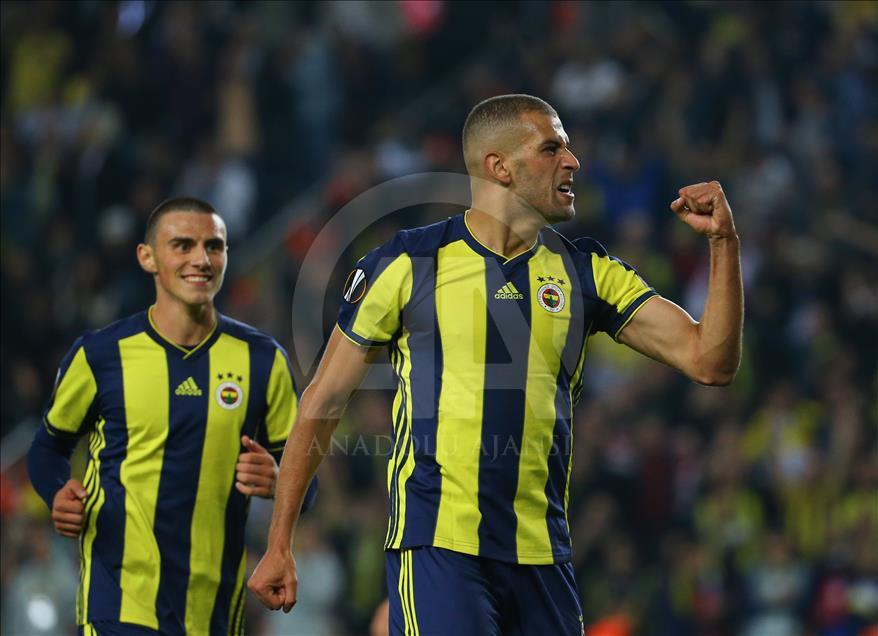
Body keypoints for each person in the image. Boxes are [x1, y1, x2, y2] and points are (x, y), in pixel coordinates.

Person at [248, 94, 743, 635]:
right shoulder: (409, 262)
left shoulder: (587, 273)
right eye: (552, 148)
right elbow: (322, 400)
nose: (573, 161)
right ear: (499, 166)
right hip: (439, 546)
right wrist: (280, 542)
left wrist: (723, 243)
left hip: (544, 556)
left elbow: (710, 362)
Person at [27, 196, 317, 636]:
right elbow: (48, 447)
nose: (201, 259)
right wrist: (56, 492)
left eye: (213, 246)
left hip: (216, 613)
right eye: (183, 245)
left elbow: (306, 483)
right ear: (147, 257)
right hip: (119, 605)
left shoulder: (263, 361)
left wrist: (279, 481)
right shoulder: (101, 355)